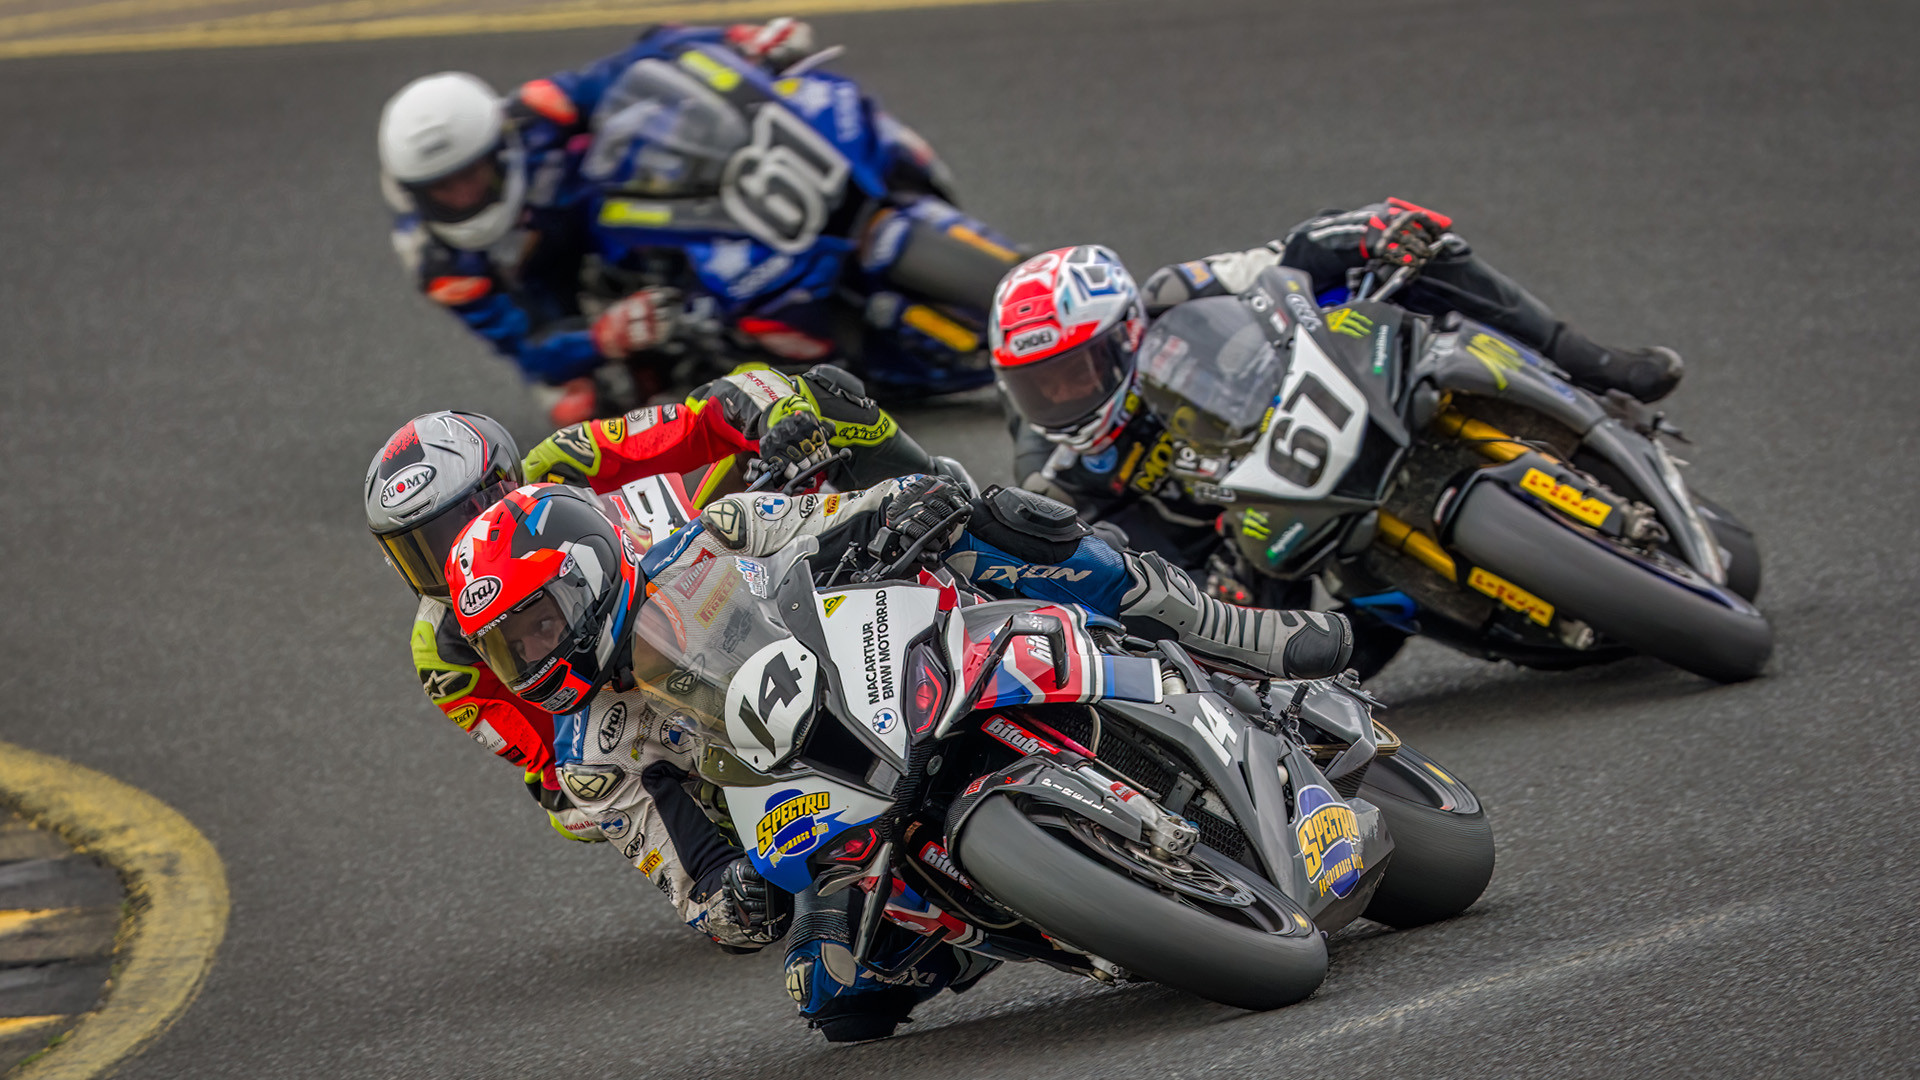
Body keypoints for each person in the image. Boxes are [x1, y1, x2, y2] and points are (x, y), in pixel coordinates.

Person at [444, 471, 1352, 1038]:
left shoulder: (712, 537)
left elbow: (838, 512)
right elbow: (691, 881)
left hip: (887, 673)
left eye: (539, 621)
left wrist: (904, 507)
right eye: (510, 648)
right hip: (816, 816)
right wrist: (739, 904)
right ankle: (1043, 914)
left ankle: (1231, 629)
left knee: (999, 516)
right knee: (834, 1001)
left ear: (588, 572)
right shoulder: (591, 755)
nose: (534, 654)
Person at [994, 213, 1685, 675]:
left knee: (1432, 263)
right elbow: (1130, 576)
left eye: (1074, 374)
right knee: (1272, 660)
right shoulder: (1059, 473)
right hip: (1267, 546)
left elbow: (1291, 255)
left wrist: (1375, 231)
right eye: (1040, 387)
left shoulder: (1178, 292)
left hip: (1321, 403)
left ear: (1124, 332)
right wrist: (1208, 596)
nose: (1062, 398)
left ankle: (1598, 365)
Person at [363, 365, 940, 841]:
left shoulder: (562, 458)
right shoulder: (444, 653)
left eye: (452, 527)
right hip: (657, 691)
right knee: (585, 805)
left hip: (725, 563)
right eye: (418, 551)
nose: (452, 556)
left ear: (505, 480)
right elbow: (553, 780)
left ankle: (946, 503)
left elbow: (703, 416)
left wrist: (778, 422)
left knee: (815, 394)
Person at [377, 20, 821, 421]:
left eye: (471, 175)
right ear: (415, 191)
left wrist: (736, 41)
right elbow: (526, 346)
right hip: (551, 297)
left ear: (498, 149)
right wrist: (601, 338)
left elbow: (640, 60)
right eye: (442, 189)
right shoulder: (439, 263)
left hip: (615, 214)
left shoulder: (535, 114)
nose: (461, 196)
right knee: (577, 407)